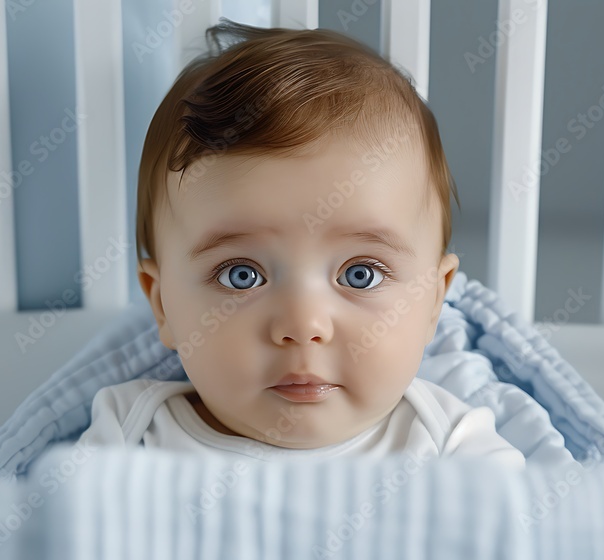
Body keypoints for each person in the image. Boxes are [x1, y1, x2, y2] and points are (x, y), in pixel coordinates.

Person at [80, 18, 524, 468]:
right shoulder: (131, 437)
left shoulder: (452, 447)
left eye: (360, 274)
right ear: (163, 305)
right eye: (242, 275)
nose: (303, 325)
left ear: (434, 300)